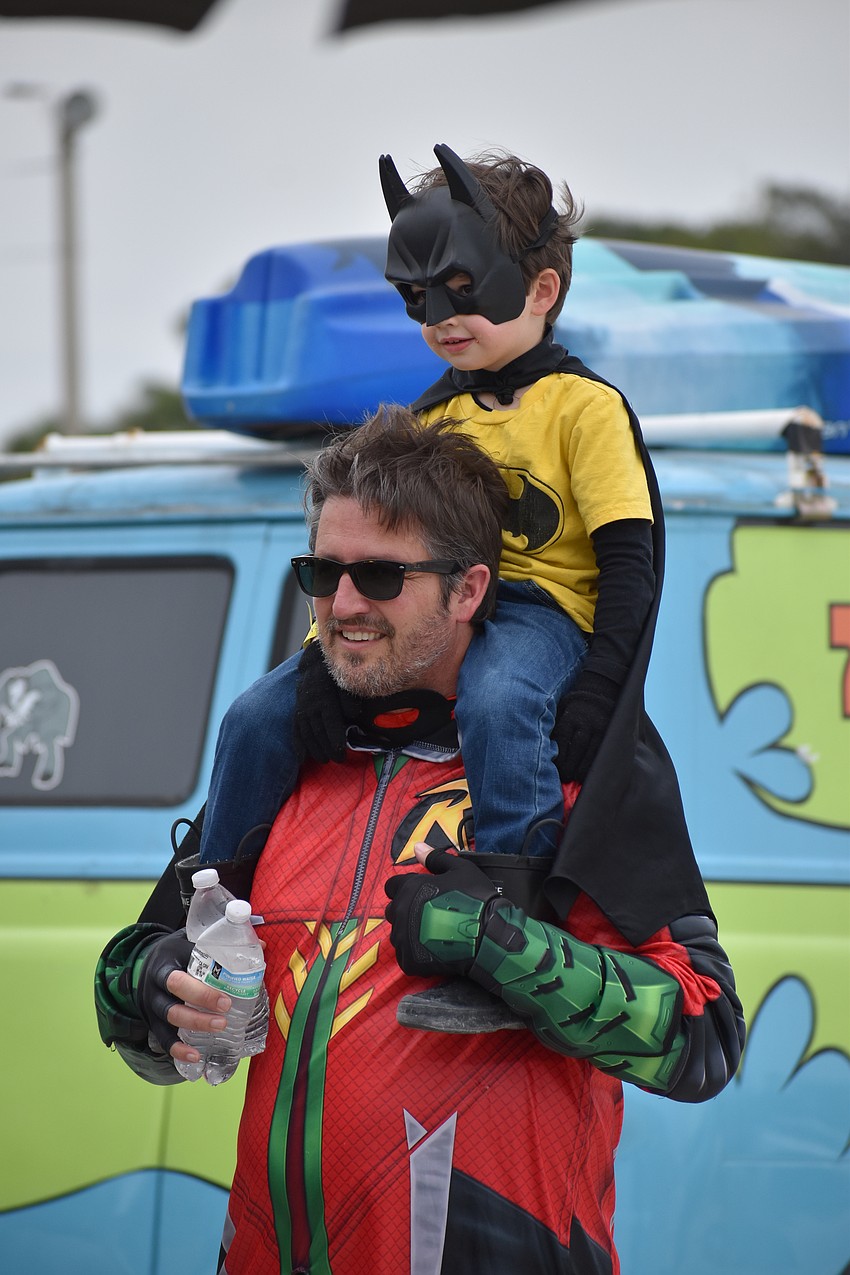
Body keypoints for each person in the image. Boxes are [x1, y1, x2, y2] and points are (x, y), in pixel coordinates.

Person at [95, 408, 745, 1275]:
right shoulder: (287, 755)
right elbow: (130, 987)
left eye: (381, 576)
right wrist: (147, 985)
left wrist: (500, 944)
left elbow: (703, 1035)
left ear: (470, 589)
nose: (345, 604)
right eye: (323, 573)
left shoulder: (573, 762)